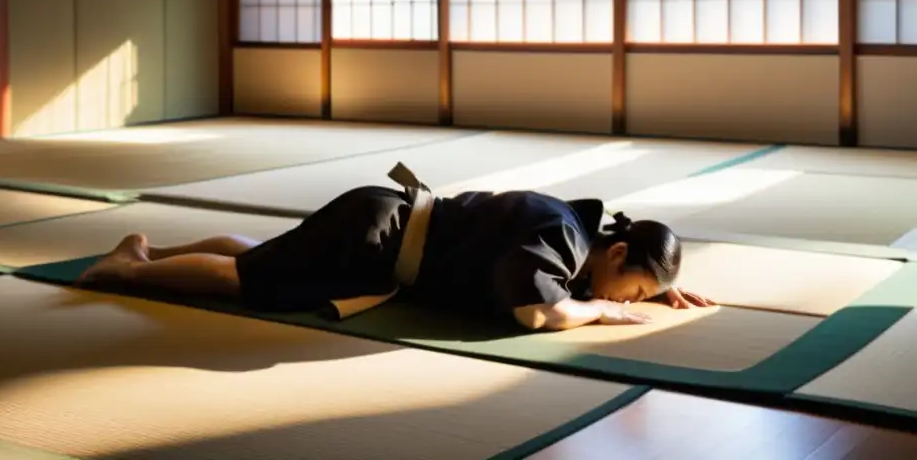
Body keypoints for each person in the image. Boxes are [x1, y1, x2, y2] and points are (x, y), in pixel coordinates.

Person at [78, 163, 713, 331]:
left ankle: (152, 248)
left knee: (266, 255)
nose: (619, 301)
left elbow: (568, 280)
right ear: (618, 254)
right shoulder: (564, 238)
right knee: (248, 282)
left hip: (385, 220)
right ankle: (129, 270)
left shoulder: (575, 231)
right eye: (628, 289)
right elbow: (536, 311)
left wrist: (652, 289)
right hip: (377, 240)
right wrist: (601, 309)